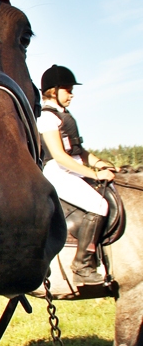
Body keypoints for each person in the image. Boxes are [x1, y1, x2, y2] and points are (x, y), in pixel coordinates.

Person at [38, 64, 115, 285]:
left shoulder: (65, 115)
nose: (71, 94)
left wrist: (100, 163)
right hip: (57, 172)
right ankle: (82, 266)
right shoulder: (47, 118)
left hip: (73, 169)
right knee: (100, 205)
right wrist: (94, 174)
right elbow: (60, 156)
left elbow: (79, 151)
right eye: (67, 89)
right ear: (53, 90)